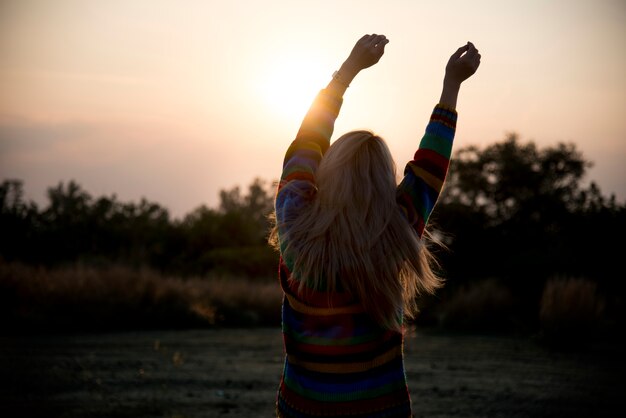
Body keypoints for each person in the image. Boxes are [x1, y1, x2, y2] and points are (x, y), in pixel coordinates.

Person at [269, 34, 481, 417]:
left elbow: (307, 141)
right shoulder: (397, 229)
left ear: (327, 172)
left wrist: (347, 72)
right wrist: (452, 84)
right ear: (385, 183)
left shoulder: (295, 224)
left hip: (303, 409)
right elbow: (431, 165)